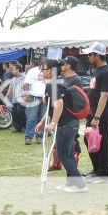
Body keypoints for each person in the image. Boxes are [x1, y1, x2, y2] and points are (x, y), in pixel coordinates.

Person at [36, 60, 87, 193]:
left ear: (51, 70)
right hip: (70, 123)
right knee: (68, 155)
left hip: (65, 125)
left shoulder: (51, 85)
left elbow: (59, 104)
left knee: (63, 155)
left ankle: (80, 185)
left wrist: (52, 124)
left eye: (44, 69)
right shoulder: (60, 82)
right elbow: (51, 107)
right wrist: (43, 122)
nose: (42, 71)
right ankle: (71, 185)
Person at [81, 42, 108, 183]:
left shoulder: (106, 71)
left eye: (90, 54)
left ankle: (103, 174)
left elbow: (104, 95)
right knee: (89, 138)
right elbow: (93, 92)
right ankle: (96, 169)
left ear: (97, 55)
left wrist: (97, 117)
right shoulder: (96, 70)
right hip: (94, 111)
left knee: (103, 142)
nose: (88, 56)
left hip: (103, 113)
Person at [48, 56, 83, 171]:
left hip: (69, 117)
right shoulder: (61, 77)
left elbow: (76, 99)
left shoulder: (76, 80)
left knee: (72, 144)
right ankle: (56, 163)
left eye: (63, 64)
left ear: (69, 66)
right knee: (57, 142)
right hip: (59, 116)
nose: (61, 66)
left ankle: (73, 171)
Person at [23, 59, 46, 145]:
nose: (44, 64)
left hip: (45, 97)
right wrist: (26, 95)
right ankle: (28, 137)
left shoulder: (49, 71)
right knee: (31, 118)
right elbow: (26, 83)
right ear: (40, 63)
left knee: (42, 119)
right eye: (43, 62)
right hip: (33, 97)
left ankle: (39, 137)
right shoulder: (32, 71)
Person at [7, 63, 26, 133]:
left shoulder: (25, 77)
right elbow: (10, 88)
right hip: (14, 99)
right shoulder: (13, 79)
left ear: (18, 69)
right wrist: (6, 96)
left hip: (22, 99)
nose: (12, 71)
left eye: (13, 70)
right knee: (14, 114)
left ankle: (24, 127)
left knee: (20, 112)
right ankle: (18, 128)